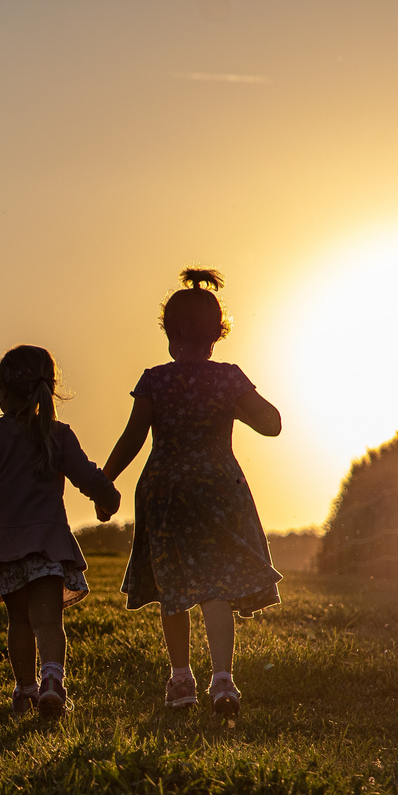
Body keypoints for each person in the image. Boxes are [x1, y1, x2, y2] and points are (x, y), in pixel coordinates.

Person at [101, 269, 282, 716]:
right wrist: (236, 407)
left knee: (173, 586)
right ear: (217, 334)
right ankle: (224, 682)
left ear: (169, 332)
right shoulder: (228, 379)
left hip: (164, 492)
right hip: (218, 490)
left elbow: (132, 439)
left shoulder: (155, 381)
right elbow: (273, 424)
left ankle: (181, 680)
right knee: (215, 584)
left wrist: (104, 481)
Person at [0, 345, 121, 719]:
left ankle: (25, 688)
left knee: (20, 620)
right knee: (48, 620)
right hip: (46, 545)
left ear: (3, 391)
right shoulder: (57, 434)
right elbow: (87, 475)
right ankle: (53, 682)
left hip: (1, 547)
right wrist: (108, 498)